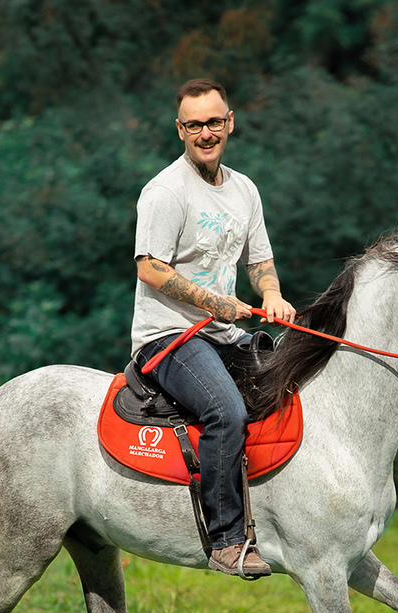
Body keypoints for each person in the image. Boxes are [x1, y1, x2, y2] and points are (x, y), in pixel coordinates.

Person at [131, 79, 296, 579]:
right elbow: (150, 268)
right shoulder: (165, 192)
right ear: (180, 129)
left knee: (292, 380)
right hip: (169, 336)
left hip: (223, 334)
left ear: (230, 122)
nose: (206, 132)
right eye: (195, 124)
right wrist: (215, 304)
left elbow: (260, 261)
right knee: (225, 411)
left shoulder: (245, 189)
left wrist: (270, 295)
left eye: (215, 122)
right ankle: (227, 541)